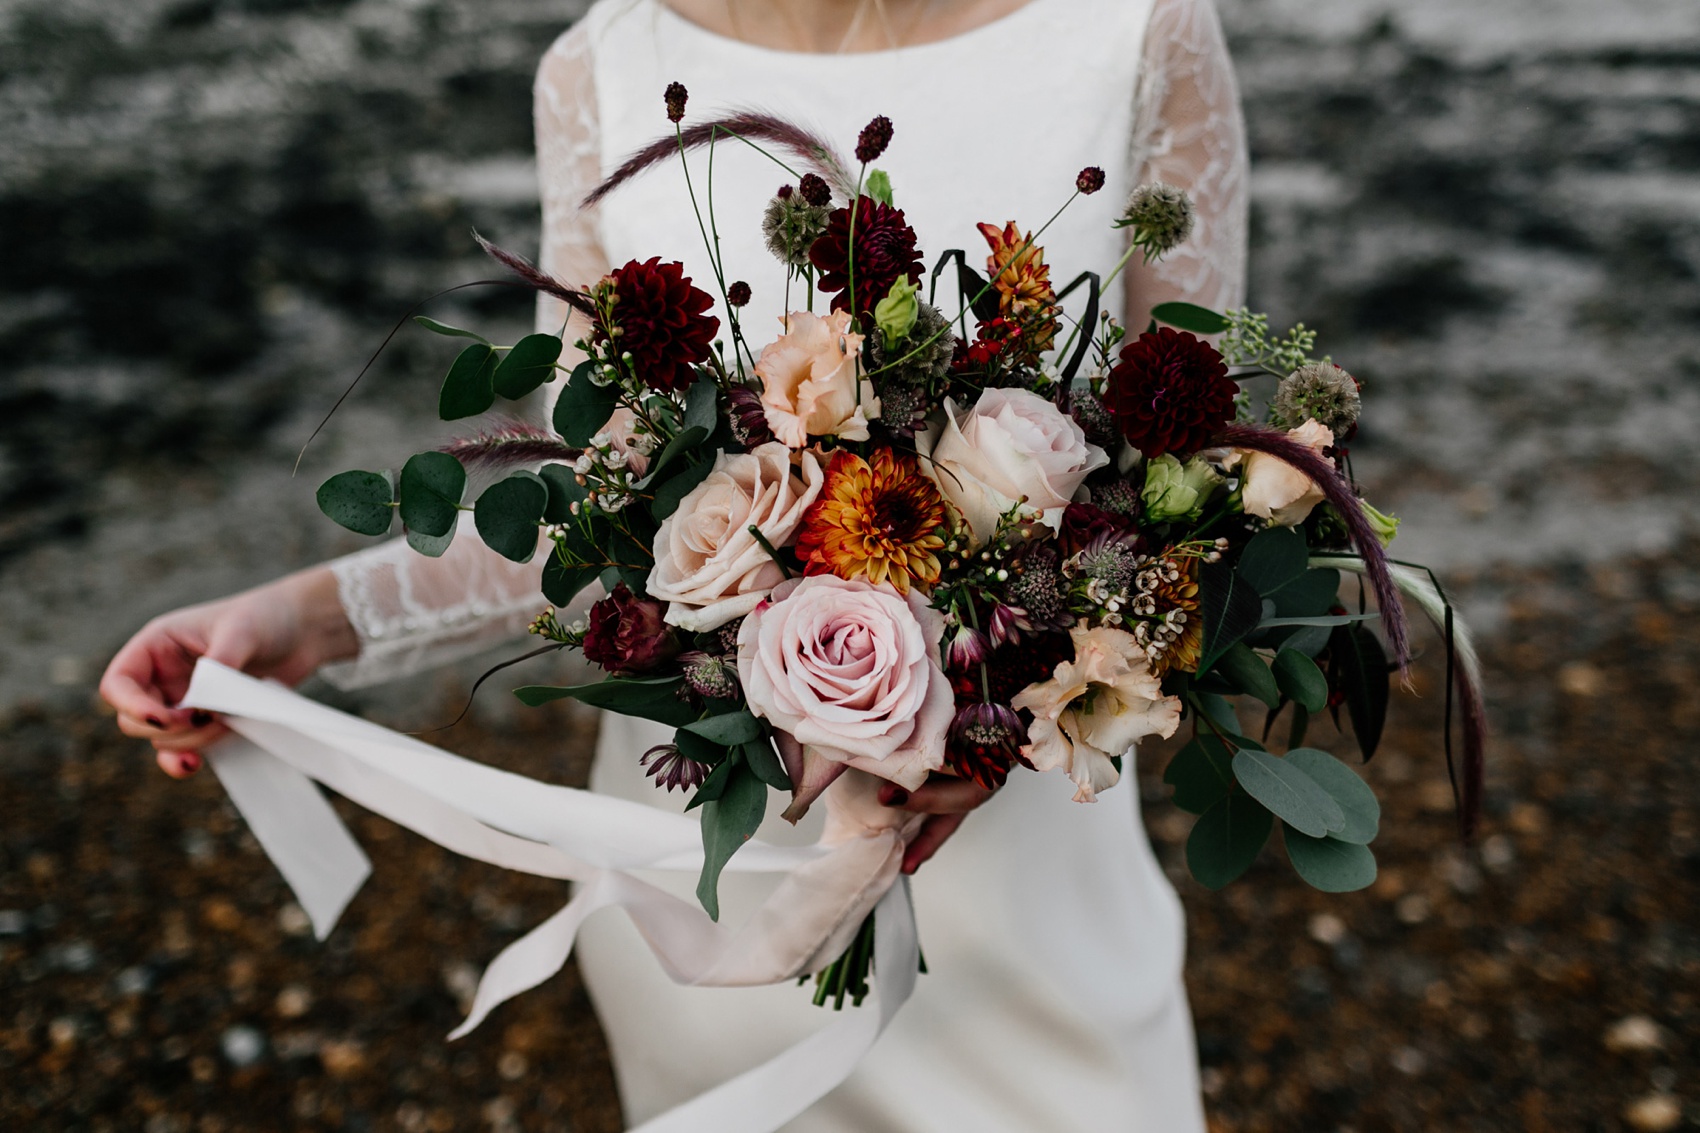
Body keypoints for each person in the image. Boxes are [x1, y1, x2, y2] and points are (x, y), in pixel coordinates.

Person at [101, 0, 1248, 1127]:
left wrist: (989, 724)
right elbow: (600, 522)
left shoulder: (1135, 32)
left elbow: (1202, 489)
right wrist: (302, 617)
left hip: (1023, 895)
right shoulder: (600, 66)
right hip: (714, 873)